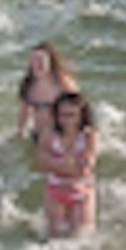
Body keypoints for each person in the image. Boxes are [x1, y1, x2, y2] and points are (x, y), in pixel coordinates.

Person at [34, 92, 101, 236]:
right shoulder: (49, 134)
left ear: (81, 116)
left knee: (83, 236)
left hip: (82, 190)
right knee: (55, 236)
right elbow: (41, 162)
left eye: (71, 115)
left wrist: (57, 165)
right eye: (61, 115)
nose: (65, 120)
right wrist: (67, 165)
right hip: (55, 190)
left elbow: (86, 167)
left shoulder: (89, 135)